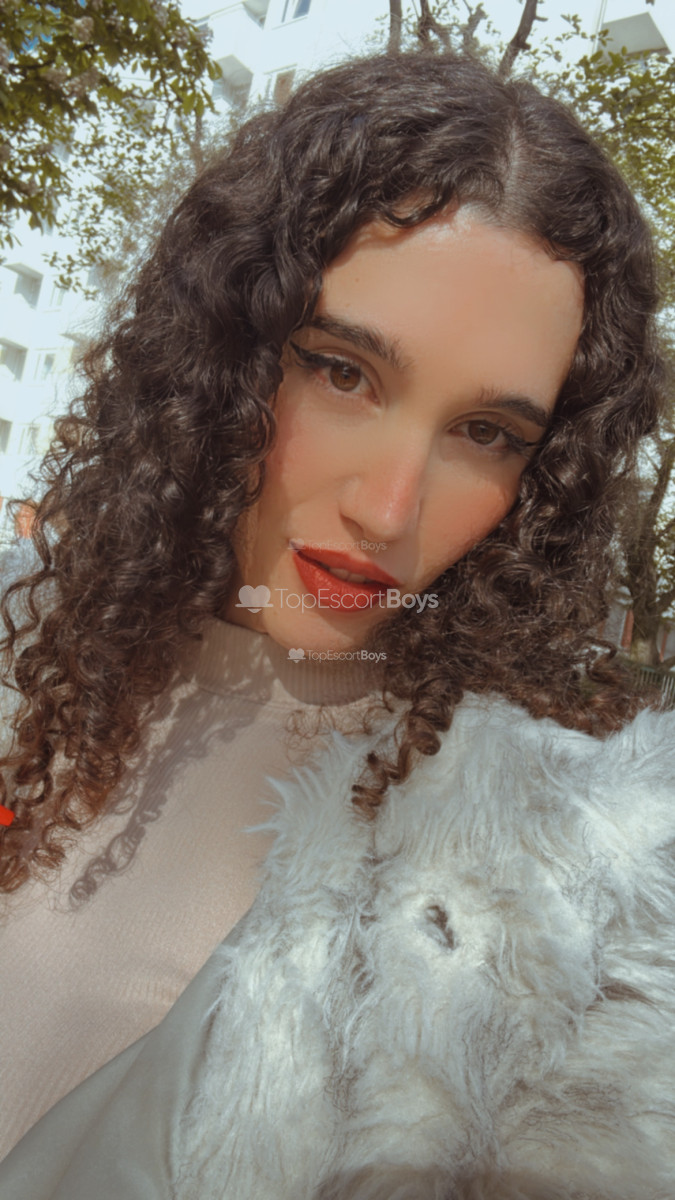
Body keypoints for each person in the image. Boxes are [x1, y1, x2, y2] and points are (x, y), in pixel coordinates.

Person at [1, 47, 674, 1199]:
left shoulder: (534, 885)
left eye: (487, 434)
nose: (390, 508)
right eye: (343, 373)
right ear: (228, 348)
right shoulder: (32, 650)